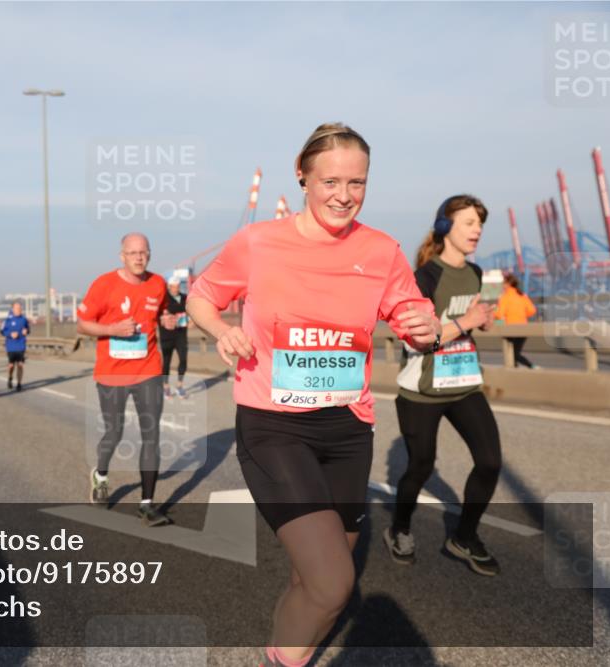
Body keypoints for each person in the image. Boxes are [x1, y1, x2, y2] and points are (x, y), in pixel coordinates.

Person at [186, 123, 440, 667]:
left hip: (348, 429)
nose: (343, 196)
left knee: (312, 577)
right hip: (274, 426)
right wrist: (221, 329)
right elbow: (201, 296)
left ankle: (280, 648)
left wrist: (427, 327)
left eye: (357, 183)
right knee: (332, 585)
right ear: (301, 176)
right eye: (330, 181)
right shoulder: (258, 242)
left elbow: (412, 315)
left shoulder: (381, 249)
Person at [388, 194, 503, 577]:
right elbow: (413, 340)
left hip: (465, 384)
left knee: (489, 462)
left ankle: (464, 537)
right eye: (470, 222)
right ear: (444, 227)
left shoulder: (476, 274)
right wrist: (466, 321)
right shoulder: (424, 277)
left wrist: (483, 320)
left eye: (480, 224)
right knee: (420, 468)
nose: (477, 230)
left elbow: (471, 324)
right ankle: (399, 529)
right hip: (421, 391)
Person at [77, 232, 177, 527]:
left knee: (151, 434)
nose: (138, 257)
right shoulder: (104, 284)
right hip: (112, 372)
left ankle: (147, 505)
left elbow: (162, 313)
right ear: (122, 255)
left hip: (148, 370)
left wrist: (166, 320)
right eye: (132, 253)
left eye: (143, 252)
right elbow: (82, 325)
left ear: (149, 254)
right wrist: (113, 330)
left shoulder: (157, 283)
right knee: (114, 432)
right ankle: (101, 475)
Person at [495, 273, 538, 369]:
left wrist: (494, 311)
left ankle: (531, 366)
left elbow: (499, 314)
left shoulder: (504, 297)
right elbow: (532, 310)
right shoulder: (522, 295)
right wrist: (521, 316)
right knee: (515, 353)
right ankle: (519, 369)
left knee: (512, 354)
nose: (502, 285)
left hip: (510, 330)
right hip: (523, 328)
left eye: (503, 283)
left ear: (508, 284)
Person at [159, 276, 189, 399]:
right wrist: (162, 319)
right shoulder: (163, 299)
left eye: (178, 286)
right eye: (174, 286)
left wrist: (189, 319)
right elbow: (157, 316)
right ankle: (165, 387)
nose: (176, 289)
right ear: (169, 286)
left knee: (183, 359)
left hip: (181, 334)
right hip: (166, 336)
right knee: (166, 362)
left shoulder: (184, 298)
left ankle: (179, 386)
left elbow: (190, 311)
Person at [1, 301, 30, 391]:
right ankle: (10, 377)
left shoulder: (24, 319)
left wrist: (26, 331)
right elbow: (2, 331)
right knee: (11, 366)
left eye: (20, 308)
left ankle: (19, 384)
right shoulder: (7, 320)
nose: (19, 310)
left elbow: (28, 329)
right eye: (17, 308)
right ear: (13, 309)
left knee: (20, 365)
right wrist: (10, 334)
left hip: (21, 345)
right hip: (11, 346)